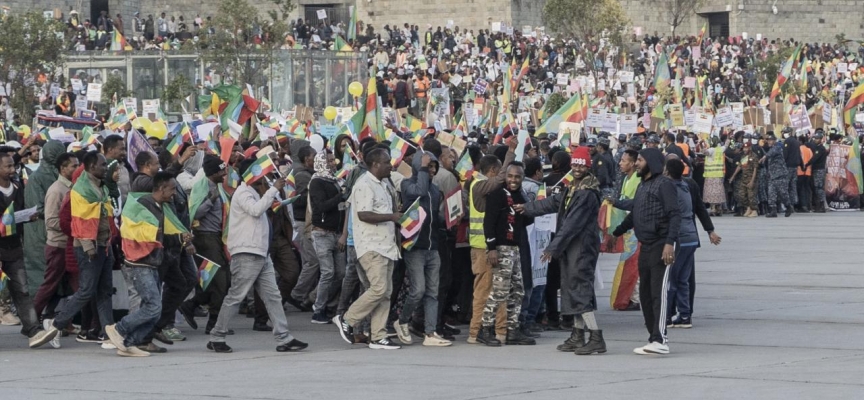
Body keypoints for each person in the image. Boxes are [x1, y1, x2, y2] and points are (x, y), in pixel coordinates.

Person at [207, 158, 308, 353]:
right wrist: (272, 190)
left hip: (260, 253)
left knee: (273, 296)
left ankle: (284, 338)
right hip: (247, 253)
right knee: (236, 296)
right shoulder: (244, 192)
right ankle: (217, 335)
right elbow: (255, 210)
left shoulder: (253, 192)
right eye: (264, 173)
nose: (267, 177)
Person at [519, 147, 604, 354]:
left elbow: (572, 224)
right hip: (572, 247)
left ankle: (595, 336)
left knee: (579, 289)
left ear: (587, 167)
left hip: (581, 247)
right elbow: (553, 203)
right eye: (574, 164)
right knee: (570, 289)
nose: (576, 168)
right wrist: (527, 208)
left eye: (580, 165)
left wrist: (553, 247)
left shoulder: (586, 193)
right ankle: (577, 334)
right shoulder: (573, 188)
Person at [104, 172, 191, 357]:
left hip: (153, 262)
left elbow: (159, 237)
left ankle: (130, 343)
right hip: (140, 263)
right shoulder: (144, 206)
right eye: (172, 189)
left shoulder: (160, 206)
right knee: (153, 306)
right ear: (161, 188)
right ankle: (119, 329)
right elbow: (145, 235)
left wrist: (179, 238)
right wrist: (176, 238)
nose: (174, 193)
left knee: (151, 305)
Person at [612, 148, 680, 356]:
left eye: (640, 160)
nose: (637, 163)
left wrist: (670, 243)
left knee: (658, 292)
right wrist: (616, 233)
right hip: (646, 245)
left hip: (661, 245)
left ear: (651, 162)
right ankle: (652, 337)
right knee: (645, 294)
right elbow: (636, 213)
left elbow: (675, 215)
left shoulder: (665, 184)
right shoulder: (643, 185)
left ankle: (661, 339)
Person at [45, 151, 117, 347]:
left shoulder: (100, 187)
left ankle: (109, 333)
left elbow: (103, 216)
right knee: (86, 291)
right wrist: (88, 247)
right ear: (91, 167)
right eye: (103, 165)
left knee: (104, 292)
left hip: (103, 245)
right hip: (89, 248)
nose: (106, 168)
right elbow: (77, 222)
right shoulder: (80, 190)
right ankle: (56, 323)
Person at [334, 148, 403, 350]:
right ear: (375, 165)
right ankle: (347, 319)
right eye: (387, 162)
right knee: (379, 288)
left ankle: (378, 336)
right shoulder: (364, 184)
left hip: (386, 245)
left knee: (385, 292)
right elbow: (364, 215)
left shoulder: (383, 184)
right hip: (371, 245)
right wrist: (391, 217)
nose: (391, 165)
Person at [0, 152, 58, 349]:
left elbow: (22, 211)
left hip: (13, 248)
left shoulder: (17, 188)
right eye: (7, 166)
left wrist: (28, 216)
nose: (12, 170)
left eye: (12, 166)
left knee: (22, 289)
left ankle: (33, 329)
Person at [394, 151, 451, 347]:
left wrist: (450, 218)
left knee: (432, 292)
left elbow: (434, 216)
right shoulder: (407, 184)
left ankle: (430, 332)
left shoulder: (435, 191)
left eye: (434, 166)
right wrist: (423, 170)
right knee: (418, 290)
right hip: (415, 246)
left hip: (432, 246)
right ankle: (402, 321)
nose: (432, 170)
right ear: (418, 166)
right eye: (428, 166)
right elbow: (419, 191)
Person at [478, 162, 536, 346]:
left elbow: (526, 221)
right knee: (499, 290)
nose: (513, 180)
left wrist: (527, 211)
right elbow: (488, 222)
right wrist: (491, 247)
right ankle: (485, 329)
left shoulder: (521, 195)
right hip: (501, 248)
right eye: (510, 176)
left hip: (516, 248)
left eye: (517, 177)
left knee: (518, 290)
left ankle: (513, 330)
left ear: (522, 177)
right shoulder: (497, 195)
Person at [467, 139, 517, 344]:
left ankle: (498, 329)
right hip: (483, 248)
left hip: (486, 246)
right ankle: (476, 331)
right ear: (494, 170)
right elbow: (500, 180)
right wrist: (511, 154)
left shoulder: (477, 184)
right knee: (484, 291)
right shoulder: (480, 185)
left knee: (496, 291)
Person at [179, 155, 230, 333]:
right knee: (220, 280)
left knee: (215, 279)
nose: (225, 173)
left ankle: (191, 305)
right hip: (205, 237)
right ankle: (214, 323)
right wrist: (211, 200)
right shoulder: (202, 186)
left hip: (217, 237)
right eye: (221, 170)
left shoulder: (217, 186)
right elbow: (195, 214)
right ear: (213, 172)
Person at [33, 152, 79, 325]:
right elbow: (51, 220)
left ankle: (61, 320)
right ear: (63, 168)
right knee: (51, 284)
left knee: (70, 286)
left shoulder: (72, 188)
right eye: (73, 166)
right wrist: (74, 228)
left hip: (69, 244)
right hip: (58, 244)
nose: (76, 168)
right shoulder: (56, 190)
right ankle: (32, 319)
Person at [24, 140, 65, 301]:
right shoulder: (37, 178)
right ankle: (36, 314)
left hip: (54, 231)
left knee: (57, 276)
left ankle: (51, 314)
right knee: (43, 275)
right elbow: (37, 208)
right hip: (40, 232)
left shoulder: (57, 174)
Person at [308, 150, 346, 324]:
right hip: (322, 232)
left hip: (336, 233)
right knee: (328, 272)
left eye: (333, 160)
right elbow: (321, 206)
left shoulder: (334, 180)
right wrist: (340, 196)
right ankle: (318, 310)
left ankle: (326, 303)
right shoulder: (316, 182)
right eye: (329, 161)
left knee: (341, 273)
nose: (333, 163)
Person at [609, 149, 641, 311]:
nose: (620, 163)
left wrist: (616, 203)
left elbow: (633, 203)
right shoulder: (626, 179)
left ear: (633, 163)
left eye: (624, 161)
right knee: (628, 263)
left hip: (635, 227)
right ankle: (630, 296)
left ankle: (635, 298)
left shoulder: (637, 179)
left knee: (633, 264)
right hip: (628, 227)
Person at [288, 145, 319, 311]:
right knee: (312, 261)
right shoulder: (301, 176)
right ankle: (296, 295)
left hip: (308, 223)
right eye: (314, 156)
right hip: (302, 222)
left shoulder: (308, 175)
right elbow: (297, 200)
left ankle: (301, 295)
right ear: (307, 159)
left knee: (311, 261)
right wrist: (314, 194)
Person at [760, 134, 792, 218]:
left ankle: (788, 206)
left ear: (774, 140)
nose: (769, 142)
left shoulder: (777, 147)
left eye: (771, 140)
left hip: (780, 175)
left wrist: (765, 156)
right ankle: (773, 210)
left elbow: (771, 153)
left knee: (783, 193)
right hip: (772, 176)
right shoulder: (770, 149)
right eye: (768, 140)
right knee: (771, 193)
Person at [730, 141, 759, 218]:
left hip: (751, 179)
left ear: (750, 148)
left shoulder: (754, 156)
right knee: (741, 195)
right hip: (744, 179)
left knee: (751, 196)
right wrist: (733, 176)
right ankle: (748, 208)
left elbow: (755, 169)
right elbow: (739, 166)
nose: (745, 149)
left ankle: (754, 210)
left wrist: (752, 181)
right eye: (744, 148)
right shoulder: (743, 156)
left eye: (746, 148)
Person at [806, 132, 828, 212]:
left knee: (818, 188)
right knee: (818, 187)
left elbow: (815, 158)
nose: (815, 140)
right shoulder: (818, 148)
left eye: (817, 138)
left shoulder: (820, 148)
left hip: (819, 170)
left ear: (821, 139)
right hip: (818, 170)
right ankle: (820, 205)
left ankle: (821, 206)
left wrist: (806, 164)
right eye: (815, 138)